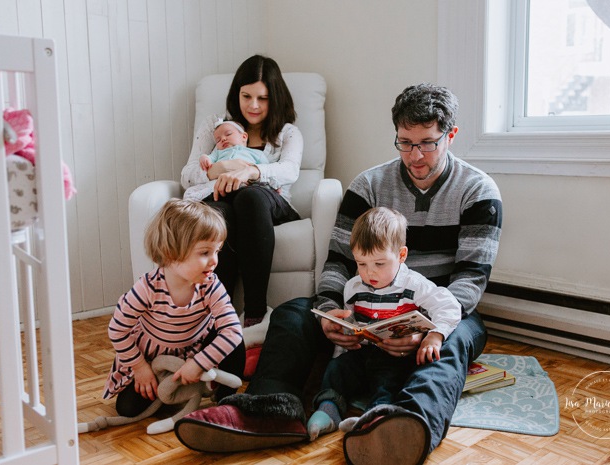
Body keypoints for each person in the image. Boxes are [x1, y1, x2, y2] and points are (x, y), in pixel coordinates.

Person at [175, 83, 502, 465]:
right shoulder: (368, 185)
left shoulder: (478, 190)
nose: (415, 156)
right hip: (365, 307)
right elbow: (338, 262)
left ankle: (407, 424)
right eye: (404, 142)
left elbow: (469, 282)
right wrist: (331, 311)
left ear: (451, 136)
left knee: (452, 343)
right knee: (291, 314)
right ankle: (266, 411)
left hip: (436, 313)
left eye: (427, 143)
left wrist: (424, 328)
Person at [306, 207, 461, 440]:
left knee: (387, 381)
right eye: (361, 263)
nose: (369, 273)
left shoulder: (413, 284)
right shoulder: (354, 287)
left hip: (396, 356)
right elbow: (351, 323)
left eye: (379, 264)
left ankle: (376, 419)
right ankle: (328, 411)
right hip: (363, 353)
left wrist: (434, 335)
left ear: (401, 255)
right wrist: (347, 340)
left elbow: (449, 306)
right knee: (336, 369)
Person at [180, 55, 302, 329]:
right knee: (217, 214)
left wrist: (250, 172)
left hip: (268, 201)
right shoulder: (216, 125)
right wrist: (222, 168)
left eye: (263, 98)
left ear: (276, 98)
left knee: (250, 196)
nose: (253, 105)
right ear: (237, 94)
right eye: (246, 96)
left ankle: (255, 313)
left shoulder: (287, 133)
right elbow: (188, 175)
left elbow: (290, 170)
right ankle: (215, 318)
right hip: (222, 199)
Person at [103, 199, 245, 418]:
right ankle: (177, 391)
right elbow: (117, 330)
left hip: (196, 351)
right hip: (152, 360)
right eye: (205, 252)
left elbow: (233, 331)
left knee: (234, 342)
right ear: (171, 253)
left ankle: (226, 399)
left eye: (217, 251)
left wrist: (199, 363)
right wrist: (140, 368)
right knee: (127, 409)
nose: (214, 261)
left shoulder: (210, 284)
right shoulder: (147, 288)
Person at [183, 119, 270, 202]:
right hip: (219, 183)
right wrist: (204, 157)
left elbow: (265, 170)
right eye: (218, 140)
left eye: (228, 134)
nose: (223, 139)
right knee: (190, 192)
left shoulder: (256, 153)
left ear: (244, 136)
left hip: (244, 184)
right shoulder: (218, 152)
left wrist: (273, 186)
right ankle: (190, 210)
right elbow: (209, 158)